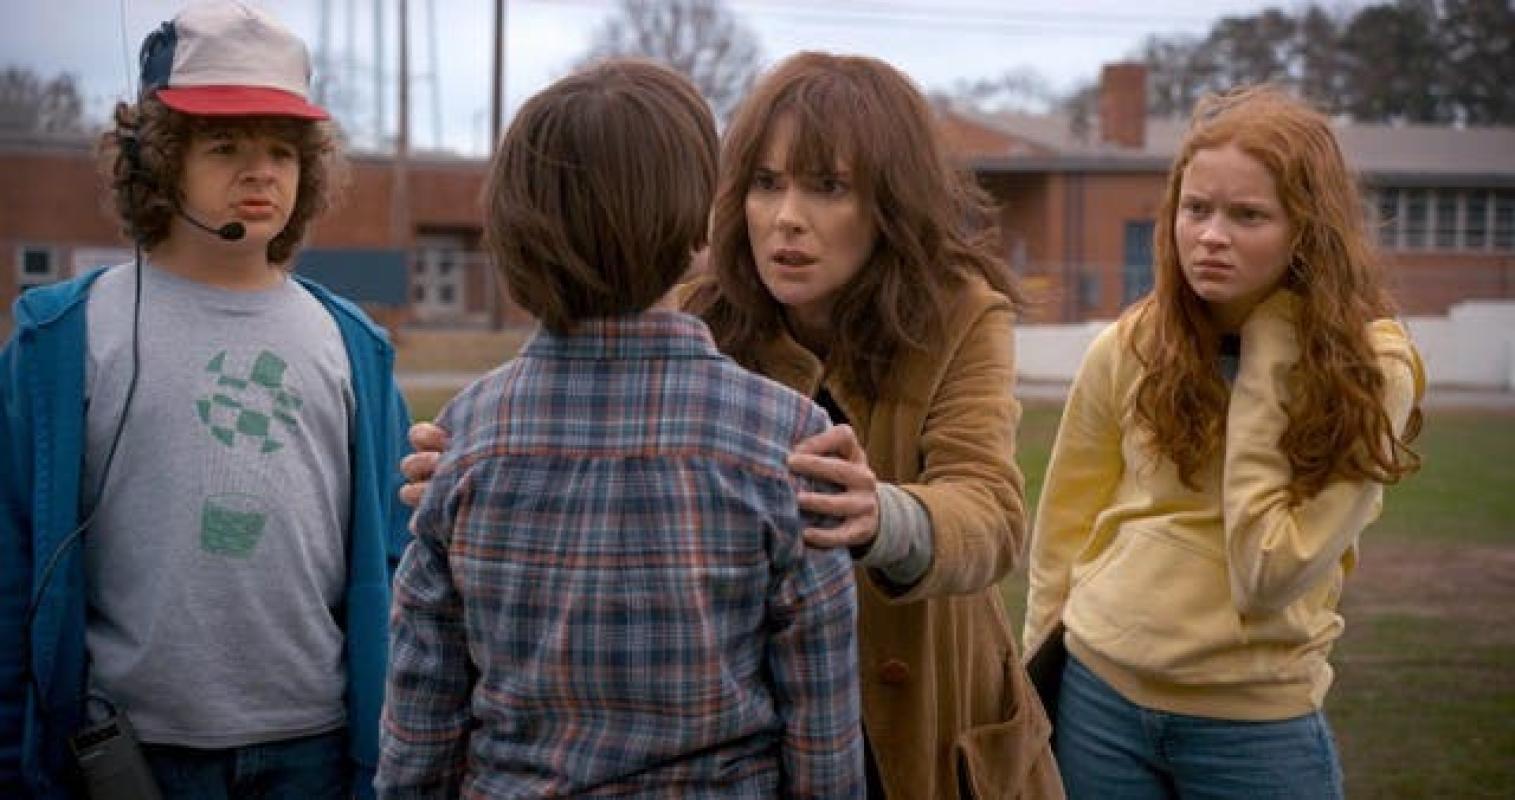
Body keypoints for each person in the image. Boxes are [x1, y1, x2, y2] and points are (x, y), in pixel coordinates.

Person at [403, 52, 1064, 799]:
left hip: (923, 715)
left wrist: (884, 516)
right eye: (765, 183)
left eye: (828, 187)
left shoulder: (960, 314)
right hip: (761, 724)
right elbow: (594, 425)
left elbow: (990, 508)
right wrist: (475, 463)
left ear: (891, 200)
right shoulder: (697, 310)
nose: (787, 217)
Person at [375, 59, 862, 798]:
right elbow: (822, 727)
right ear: (698, 220)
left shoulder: (463, 440)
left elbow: (420, 712)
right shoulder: (785, 437)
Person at [0, 2, 413, 797]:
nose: (261, 172)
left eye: (282, 151)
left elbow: (394, 561)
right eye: (225, 146)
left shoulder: (354, 347)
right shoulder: (62, 339)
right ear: (154, 162)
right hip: (130, 753)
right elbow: (13, 564)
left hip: (315, 750)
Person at [1023, 85, 1424, 799]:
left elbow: (1270, 568)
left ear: (1308, 230)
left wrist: (1271, 348)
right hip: (1097, 697)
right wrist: (1034, 677)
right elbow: (1062, 529)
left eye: (1247, 215)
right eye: (1195, 209)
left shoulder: (1371, 372)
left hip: (1253, 724)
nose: (1210, 235)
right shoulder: (1131, 344)